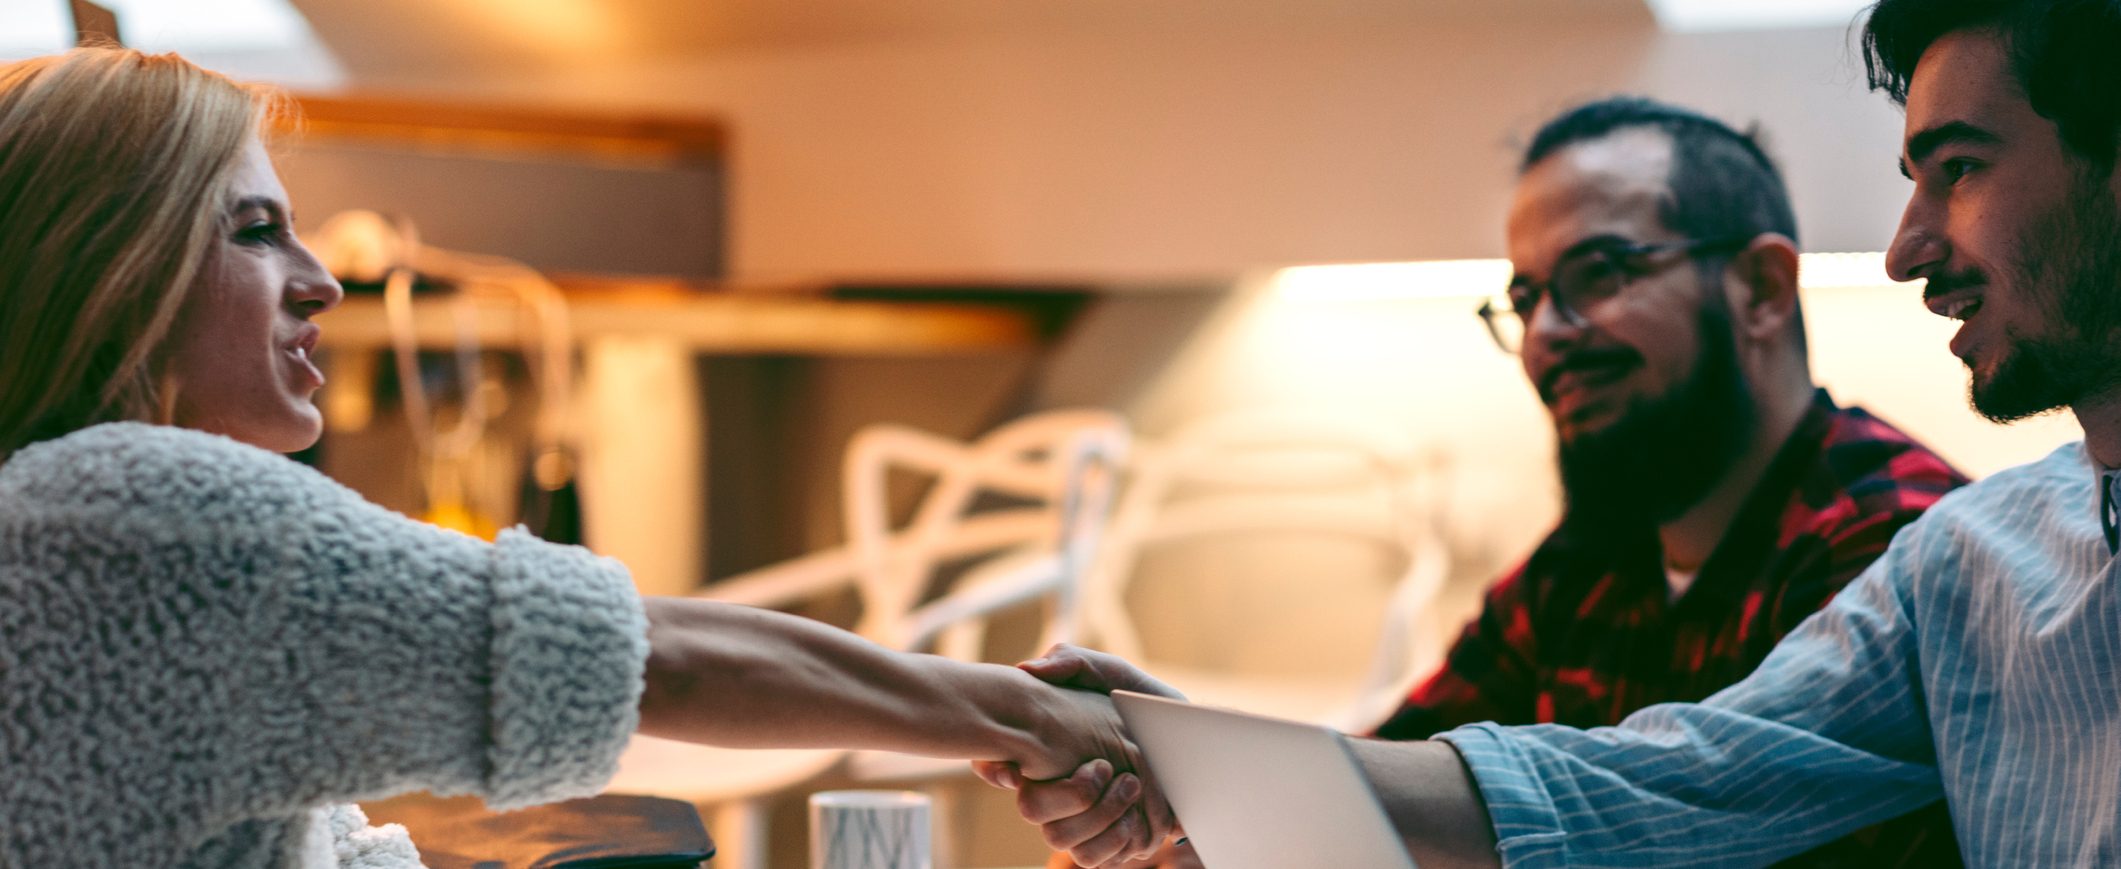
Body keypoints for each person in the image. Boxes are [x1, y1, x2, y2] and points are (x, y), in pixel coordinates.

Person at [1004, 0, 2121, 865]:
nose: (1552, 333)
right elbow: (1625, 783)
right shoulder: (1958, 566)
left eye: (1600, 274)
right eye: (1530, 296)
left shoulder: (1885, 536)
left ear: (1764, 290)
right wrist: (1189, 770)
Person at [0, 47, 1165, 868]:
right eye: (254, 229)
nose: (323, 279)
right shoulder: (133, 517)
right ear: (111, 264)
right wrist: (1028, 715)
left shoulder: (56, 520)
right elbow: (653, 661)